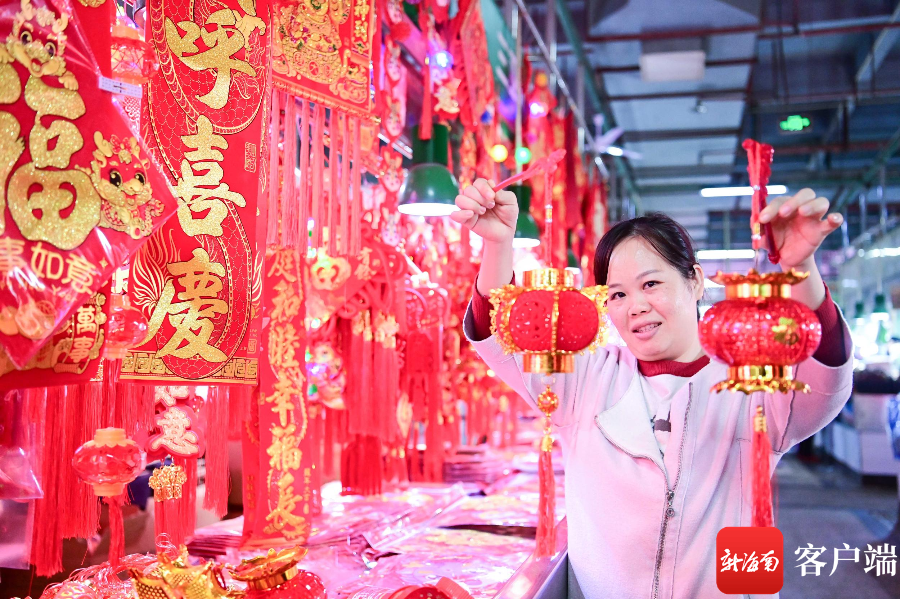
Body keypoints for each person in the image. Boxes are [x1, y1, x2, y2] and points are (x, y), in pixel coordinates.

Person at [453, 179, 852, 599]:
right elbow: (502, 339)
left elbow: (824, 375)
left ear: (695, 281)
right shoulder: (585, 379)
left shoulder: (752, 385)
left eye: (651, 284)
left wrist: (801, 269)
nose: (635, 306)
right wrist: (498, 246)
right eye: (618, 294)